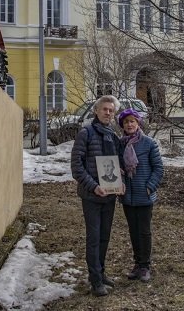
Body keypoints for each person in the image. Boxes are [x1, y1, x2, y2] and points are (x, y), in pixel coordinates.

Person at [70, 95, 124, 297]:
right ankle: (95, 280)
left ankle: (100, 272)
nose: (108, 113)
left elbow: (118, 165)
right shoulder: (86, 133)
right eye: (105, 109)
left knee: (104, 237)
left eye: (111, 110)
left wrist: (121, 184)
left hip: (109, 196)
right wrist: (93, 187)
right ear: (96, 110)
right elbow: (76, 167)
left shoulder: (112, 134)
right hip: (92, 196)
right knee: (94, 238)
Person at [117, 108, 164, 283]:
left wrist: (150, 187)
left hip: (144, 196)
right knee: (133, 231)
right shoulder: (120, 144)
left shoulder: (149, 143)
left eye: (132, 121)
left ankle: (145, 266)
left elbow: (158, 169)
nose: (129, 124)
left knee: (143, 231)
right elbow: (116, 167)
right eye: (126, 122)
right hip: (127, 196)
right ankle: (137, 264)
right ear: (122, 125)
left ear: (138, 124)